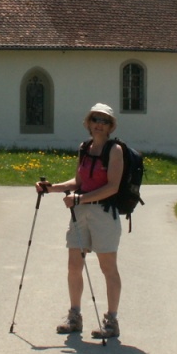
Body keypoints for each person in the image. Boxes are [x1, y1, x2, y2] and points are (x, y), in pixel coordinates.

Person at [35, 103, 124, 339]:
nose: (99, 124)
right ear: (88, 122)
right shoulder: (84, 148)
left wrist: (80, 198)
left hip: (104, 213)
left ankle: (112, 321)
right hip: (80, 212)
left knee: (108, 268)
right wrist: (50, 188)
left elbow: (113, 187)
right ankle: (74, 316)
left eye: (104, 121)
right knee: (74, 266)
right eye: (95, 119)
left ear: (111, 126)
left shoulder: (115, 151)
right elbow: (78, 182)